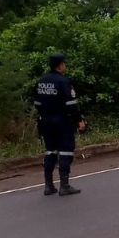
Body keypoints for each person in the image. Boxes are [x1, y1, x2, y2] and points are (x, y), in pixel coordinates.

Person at [34, 53, 86, 196]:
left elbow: (37, 103)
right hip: (62, 122)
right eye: (64, 63)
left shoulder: (41, 81)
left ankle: (48, 185)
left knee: (50, 151)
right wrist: (79, 120)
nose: (65, 66)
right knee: (65, 151)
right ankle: (64, 185)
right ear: (60, 65)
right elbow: (71, 104)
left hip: (45, 122)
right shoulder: (63, 81)